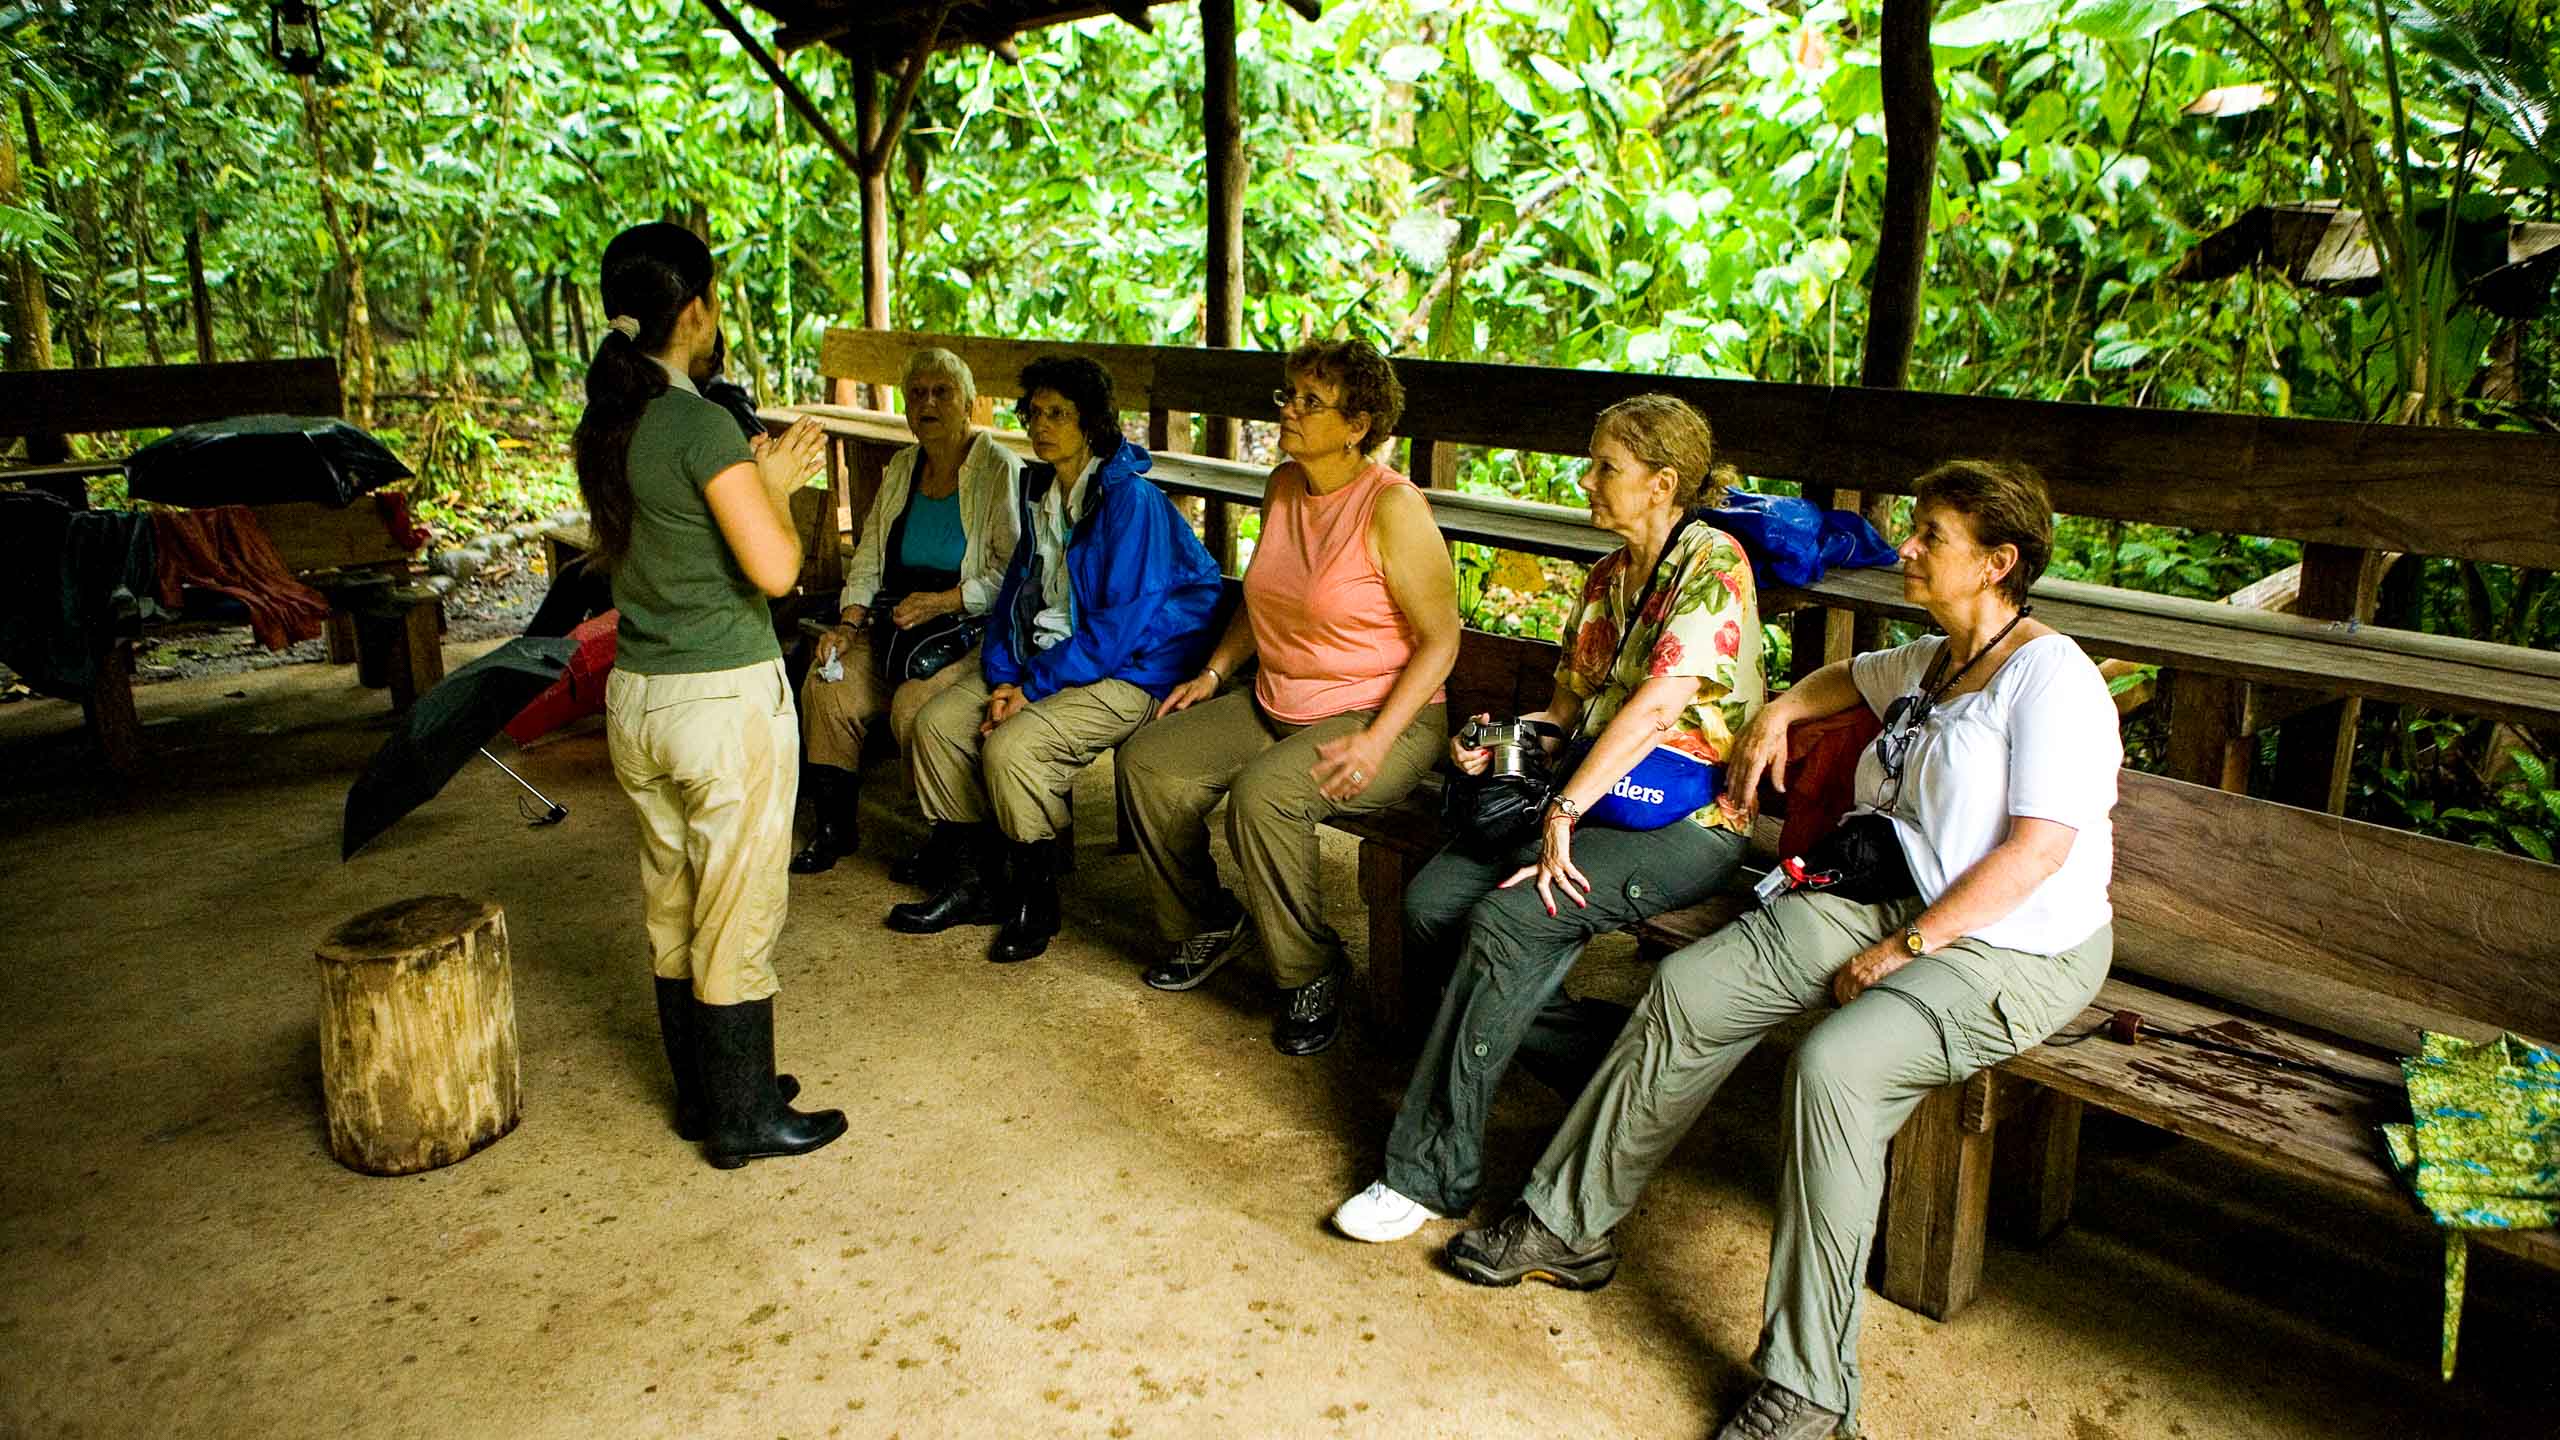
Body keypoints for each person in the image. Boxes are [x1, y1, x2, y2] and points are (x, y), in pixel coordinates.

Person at [1443, 460, 2122, 1440]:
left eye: (1932, 534)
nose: (1907, 547)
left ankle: (1807, 1387)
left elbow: (2034, 856)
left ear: (1997, 563)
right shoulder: (1937, 658)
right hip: (1894, 892)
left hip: (2014, 944)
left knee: (1836, 1069)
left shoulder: (2049, 680)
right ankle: (1567, 1223)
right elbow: (1845, 676)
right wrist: (1779, 712)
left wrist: (1907, 949)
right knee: (1689, 987)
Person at [1330, 394, 1766, 1242]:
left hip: (1688, 821)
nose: (1588, 479)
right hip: (1591, 798)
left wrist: (1565, 806)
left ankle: (1427, 1171)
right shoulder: (1608, 578)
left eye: (1607, 465)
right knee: (1429, 905)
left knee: (1511, 917)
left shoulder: (1715, 565)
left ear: (1662, 484)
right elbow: (1568, 711)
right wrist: (1495, 741)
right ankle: (1616, 1064)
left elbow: (1652, 713)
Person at [571, 220, 847, 1169]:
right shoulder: (698, 424)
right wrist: (773, 484)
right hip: (720, 704)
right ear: (695, 310)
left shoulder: (610, 421)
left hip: (640, 698)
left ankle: (707, 1092)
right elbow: (774, 571)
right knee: (737, 905)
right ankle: (744, 1123)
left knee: (674, 899)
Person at [1117, 339, 1459, 1056]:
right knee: (1149, 760)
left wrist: (1374, 740)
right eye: (1289, 396)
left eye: (1311, 402)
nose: (1289, 412)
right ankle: (1207, 921)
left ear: (1358, 424)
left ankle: (1311, 968)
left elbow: (1441, 641)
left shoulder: (1392, 508)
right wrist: (1213, 671)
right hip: (1278, 699)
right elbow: (1262, 596)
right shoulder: (1284, 485)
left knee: (1264, 799)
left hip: (1383, 714)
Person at [888, 354, 1223, 964]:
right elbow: (1014, 598)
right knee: (937, 725)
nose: (1042, 426)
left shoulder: (1129, 503)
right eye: (1034, 413)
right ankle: (972, 883)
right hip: (1049, 656)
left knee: (1012, 748)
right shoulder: (1042, 491)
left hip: (1134, 669)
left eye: (1059, 414)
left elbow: (1116, 635)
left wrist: (1030, 689)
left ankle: (1034, 898)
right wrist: (1007, 676)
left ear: (1093, 424)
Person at [791, 347, 1024, 875]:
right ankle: (834, 827)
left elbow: (1013, 572)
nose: (929, 403)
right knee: (827, 682)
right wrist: (848, 623)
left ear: (969, 404)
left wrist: (945, 600)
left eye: (942, 392)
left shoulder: (997, 468)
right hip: (898, 623)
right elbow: (871, 553)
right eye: (917, 393)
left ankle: (946, 839)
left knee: (914, 707)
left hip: (967, 624)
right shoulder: (902, 467)